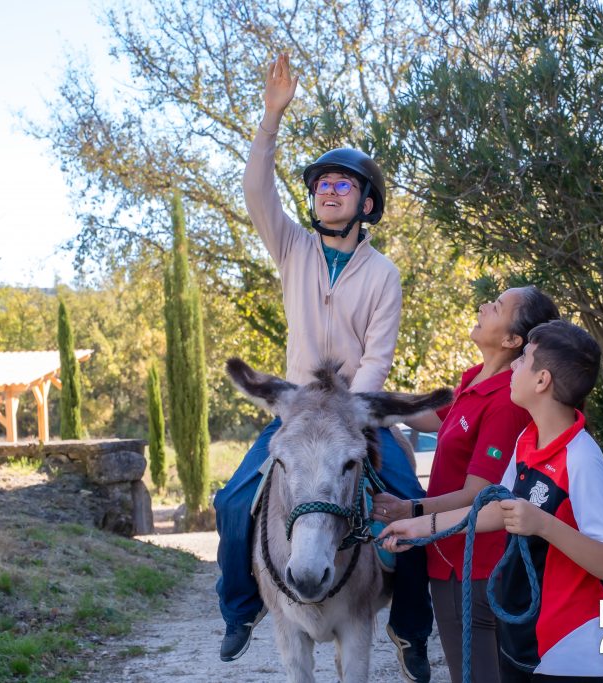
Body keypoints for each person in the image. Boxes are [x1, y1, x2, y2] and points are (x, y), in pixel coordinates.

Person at [212, 53, 434, 682]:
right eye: (321, 184)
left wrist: (356, 422)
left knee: (412, 508)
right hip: (295, 411)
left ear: (368, 203)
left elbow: (378, 356)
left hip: (357, 416)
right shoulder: (293, 249)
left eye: (343, 184)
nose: (328, 190)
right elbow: (257, 192)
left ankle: (408, 626)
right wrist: (271, 116)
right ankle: (241, 609)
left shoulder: (383, 273)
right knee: (233, 504)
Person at [380, 320, 603, 682]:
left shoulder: (582, 459)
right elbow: (497, 509)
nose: (514, 365)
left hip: (568, 644)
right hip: (524, 630)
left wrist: (543, 524)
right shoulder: (528, 440)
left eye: (524, 358)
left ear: (542, 381)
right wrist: (417, 527)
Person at [371, 285, 559, 683]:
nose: (482, 306)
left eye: (497, 306)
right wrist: (371, 399)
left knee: (476, 674)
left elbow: (480, 493)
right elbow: (430, 416)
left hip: (475, 562)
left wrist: (412, 511)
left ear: (512, 340)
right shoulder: (475, 384)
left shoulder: (505, 402)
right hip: (452, 555)